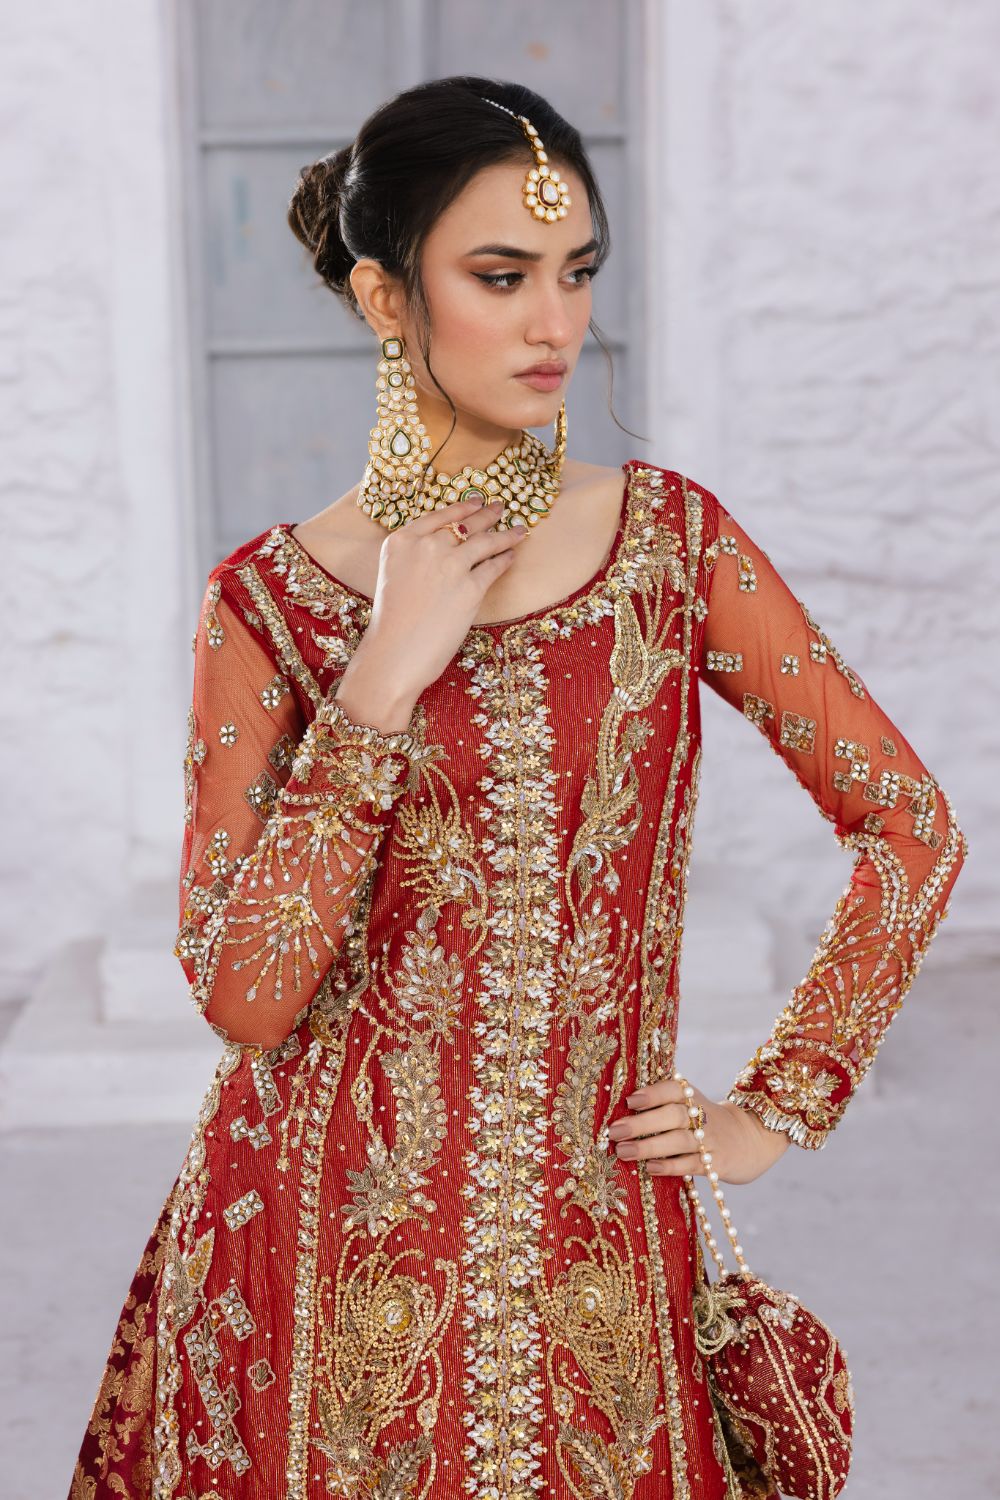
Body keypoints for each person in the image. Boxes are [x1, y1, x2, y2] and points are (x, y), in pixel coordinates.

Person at [69, 76, 966, 1500]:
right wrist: (379, 677)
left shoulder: (673, 551)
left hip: (597, 1264)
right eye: (501, 277)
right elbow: (245, 997)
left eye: (577, 273)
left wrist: (775, 1106)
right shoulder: (269, 606)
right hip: (307, 1281)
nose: (558, 323)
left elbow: (909, 827)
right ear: (384, 296)